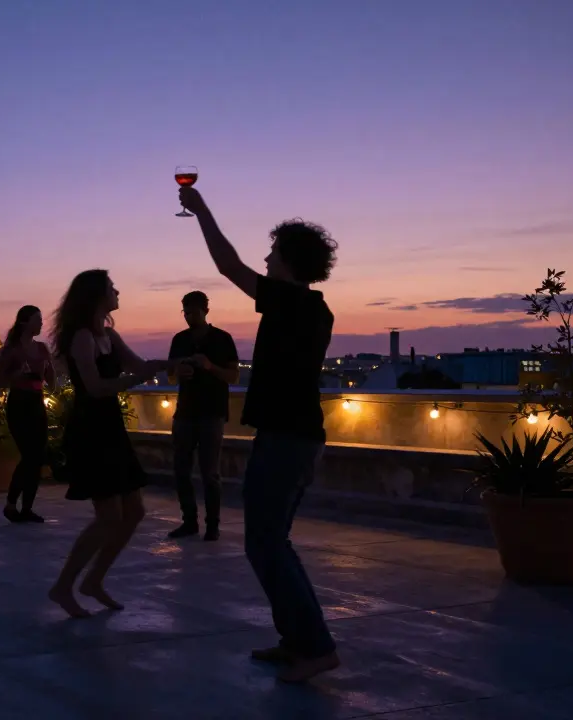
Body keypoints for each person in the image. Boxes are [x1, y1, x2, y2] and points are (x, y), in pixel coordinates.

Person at [179, 187, 340, 683]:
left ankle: (314, 646)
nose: (265, 259)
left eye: (272, 253)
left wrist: (201, 209)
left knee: (267, 542)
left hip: (287, 438)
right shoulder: (313, 308)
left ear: (288, 261)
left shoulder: (291, 302)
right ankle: (297, 640)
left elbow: (228, 265)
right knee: (269, 541)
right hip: (290, 434)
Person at [46, 270, 168, 618]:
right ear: (98, 295)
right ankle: (65, 586)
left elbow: (141, 367)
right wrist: (135, 377)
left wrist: (173, 364)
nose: (117, 292)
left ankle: (93, 580)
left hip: (109, 428)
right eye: (112, 287)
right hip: (91, 430)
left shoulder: (108, 335)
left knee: (134, 512)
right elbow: (96, 387)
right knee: (109, 516)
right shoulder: (82, 338)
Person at [167, 291, 239, 541]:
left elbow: (233, 376)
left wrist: (210, 367)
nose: (188, 317)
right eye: (185, 312)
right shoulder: (179, 340)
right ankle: (189, 522)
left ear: (206, 311)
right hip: (185, 412)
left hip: (212, 413)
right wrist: (179, 372)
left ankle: (212, 525)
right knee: (181, 469)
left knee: (210, 472)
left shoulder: (222, 339)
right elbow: (170, 374)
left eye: (193, 312)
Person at [0, 305, 56, 524]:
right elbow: (0, 380)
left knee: (36, 457)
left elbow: (51, 380)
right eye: (37, 319)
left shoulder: (42, 349)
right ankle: (12, 504)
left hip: (36, 403)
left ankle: (25, 507)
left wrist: (50, 371)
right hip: (19, 403)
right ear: (25, 322)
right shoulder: (12, 350)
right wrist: (17, 374)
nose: (41, 323)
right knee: (30, 455)